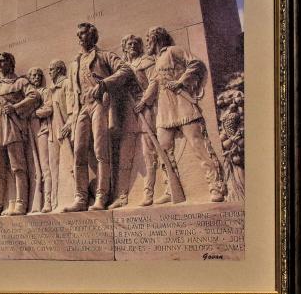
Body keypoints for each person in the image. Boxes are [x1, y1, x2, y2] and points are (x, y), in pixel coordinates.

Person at [141, 26, 225, 202]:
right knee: (163, 149)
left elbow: (196, 64)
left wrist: (181, 82)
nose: (147, 43)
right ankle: (171, 189)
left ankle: (215, 185)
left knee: (198, 145)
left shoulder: (173, 51)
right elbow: (154, 84)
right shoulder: (155, 60)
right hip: (164, 108)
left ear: (156, 38)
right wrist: (142, 102)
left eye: (148, 39)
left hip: (182, 103)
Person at [62, 22, 132, 212]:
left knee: (101, 151)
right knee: (78, 152)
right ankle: (81, 197)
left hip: (100, 104)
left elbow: (125, 70)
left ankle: (102, 195)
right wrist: (70, 117)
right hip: (81, 109)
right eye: (78, 34)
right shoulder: (74, 63)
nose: (80, 37)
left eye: (83, 33)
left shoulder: (104, 55)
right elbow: (70, 92)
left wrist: (104, 84)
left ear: (92, 36)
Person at [108, 34, 166, 209]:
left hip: (144, 110)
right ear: (124, 47)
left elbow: (154, 81)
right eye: (129, 44)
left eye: (135, 43)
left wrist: (144, 101)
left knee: (149, 154)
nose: (132, 46)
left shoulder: (146, 61)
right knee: (125, 156)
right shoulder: (122, 67)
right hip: (128, 114)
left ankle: (149, 193)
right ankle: (122, 196)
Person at [0, 52, 40, 217]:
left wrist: (15, 107)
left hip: (12, 127)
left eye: (3, 61)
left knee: (17, 167)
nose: (0, 64)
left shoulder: (20, 82)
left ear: (10, 63)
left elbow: (34, 96)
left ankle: (21, 203)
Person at [35, 59, 74, 212]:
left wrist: (70, 122)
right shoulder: (51, 89)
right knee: (52, 168)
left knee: (72, 165)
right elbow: (48, 108)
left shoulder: (66, 83)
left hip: (64, 130)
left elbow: (72, 105)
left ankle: (80, 196)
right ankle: (51, 201)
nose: (49, 72)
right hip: (52, 133)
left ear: (58, 70)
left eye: (51, 69)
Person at [26, 67, 52, 213]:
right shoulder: (27, 95)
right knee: (35, 170)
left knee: (45, 167)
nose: (36, 77)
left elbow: (49, 108)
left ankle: (47, 201)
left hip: (41, 131)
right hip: (29, 134)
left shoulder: (45, 91)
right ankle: (35, 203)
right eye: (33, 75)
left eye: (39, 75)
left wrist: (35, 113)